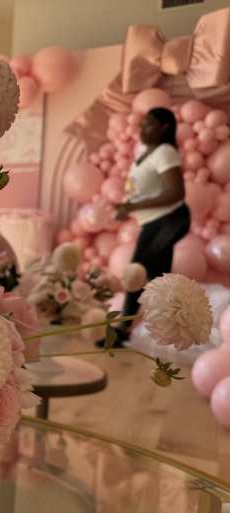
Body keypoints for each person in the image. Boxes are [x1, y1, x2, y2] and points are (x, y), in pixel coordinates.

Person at [100, 107, 190, 347]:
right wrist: (127, 207)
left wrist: (132, 206)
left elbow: (176, 193)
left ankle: (123, 331)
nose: (142, 128)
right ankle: (171, 328)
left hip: (169, 219)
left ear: (165, 128)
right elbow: (147, 192)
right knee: (157, 276)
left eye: (149, 124)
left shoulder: (165, 152)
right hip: (156, 221)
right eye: (142, 123)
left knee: (137, 272)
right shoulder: (146, 153)